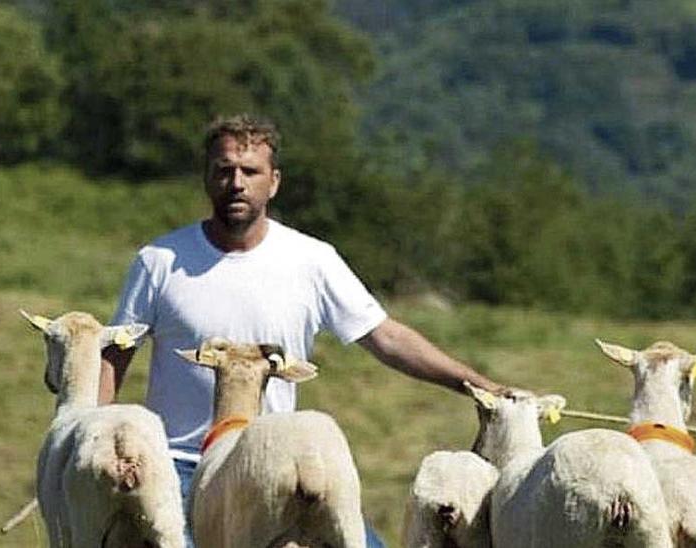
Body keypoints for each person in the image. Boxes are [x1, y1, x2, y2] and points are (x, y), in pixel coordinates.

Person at [100, 114, 507, 546]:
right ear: (207, 178)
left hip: (274, 460)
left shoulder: (312, 260)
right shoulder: (159, 261)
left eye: (250, 172)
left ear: (273, 182)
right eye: (224, 171)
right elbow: (114, 354)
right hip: (180, 464)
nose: (236, 183)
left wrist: (479, 386)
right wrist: (87, 445)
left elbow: (385, 336)